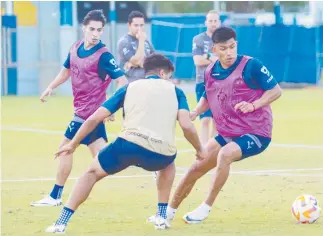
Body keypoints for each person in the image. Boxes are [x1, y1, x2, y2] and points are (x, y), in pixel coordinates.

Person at [45, 53, 206, 233]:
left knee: (90, 173)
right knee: (168, 164)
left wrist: (73, 144)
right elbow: (187, 125)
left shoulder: (129, 88)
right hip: (160, 154)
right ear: (162, 73)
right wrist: (199, 149)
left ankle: (61, 222)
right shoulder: (176, 91)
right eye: (169, 75)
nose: (169, 79)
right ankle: (161, 216)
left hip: (127, 146)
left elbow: (95, 118)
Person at [165, 26, 283, 224]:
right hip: (228, 133)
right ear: (214, 50)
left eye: (232, 47)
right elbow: (207, 97)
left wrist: (254, 104)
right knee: (196, 167)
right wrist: (195, 111)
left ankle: (205, 207)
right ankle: (167, 213)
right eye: (223, 48)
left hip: (256, 132)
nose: (229, 52)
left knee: (225, 154)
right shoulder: (210, 71)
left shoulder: (251, 65)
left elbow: (276, 91)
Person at [31, 10, 128, 207]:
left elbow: (123, 82)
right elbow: (65, 71)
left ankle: (55, 196)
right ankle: (142, 160)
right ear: (84, 28)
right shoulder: (75, 48)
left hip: (87, 115)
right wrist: (51, 87)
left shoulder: (104, 55)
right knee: (104, 159)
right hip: (85, 113)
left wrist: (110, 107)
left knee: (65, 149)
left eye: (99, 30)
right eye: (92, 29)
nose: (95, 34)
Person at [192, 10, 220, 145]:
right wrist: (211, 57)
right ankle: (203, 150)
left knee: (216, 120)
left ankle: (212, 149)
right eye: (210, 21)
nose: (213, 23)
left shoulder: (223, 39)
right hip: (203, 81)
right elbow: (197, 61)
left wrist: (206, 56)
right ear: (206, 22)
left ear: (219, 22)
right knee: (205, 119)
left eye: (215, 21)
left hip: (220, 83)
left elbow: (225, 60)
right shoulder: (198, 39)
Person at [117, 11, 155, 82]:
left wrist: (142, 63)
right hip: (131, 84)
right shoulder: (124, 42)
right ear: (129, 25)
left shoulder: (147, 42)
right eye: (136, 25)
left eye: (141, 25)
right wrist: (141, 41)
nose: (139, 28)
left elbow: (155, 62)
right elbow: (137, 61)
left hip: (147, 83)